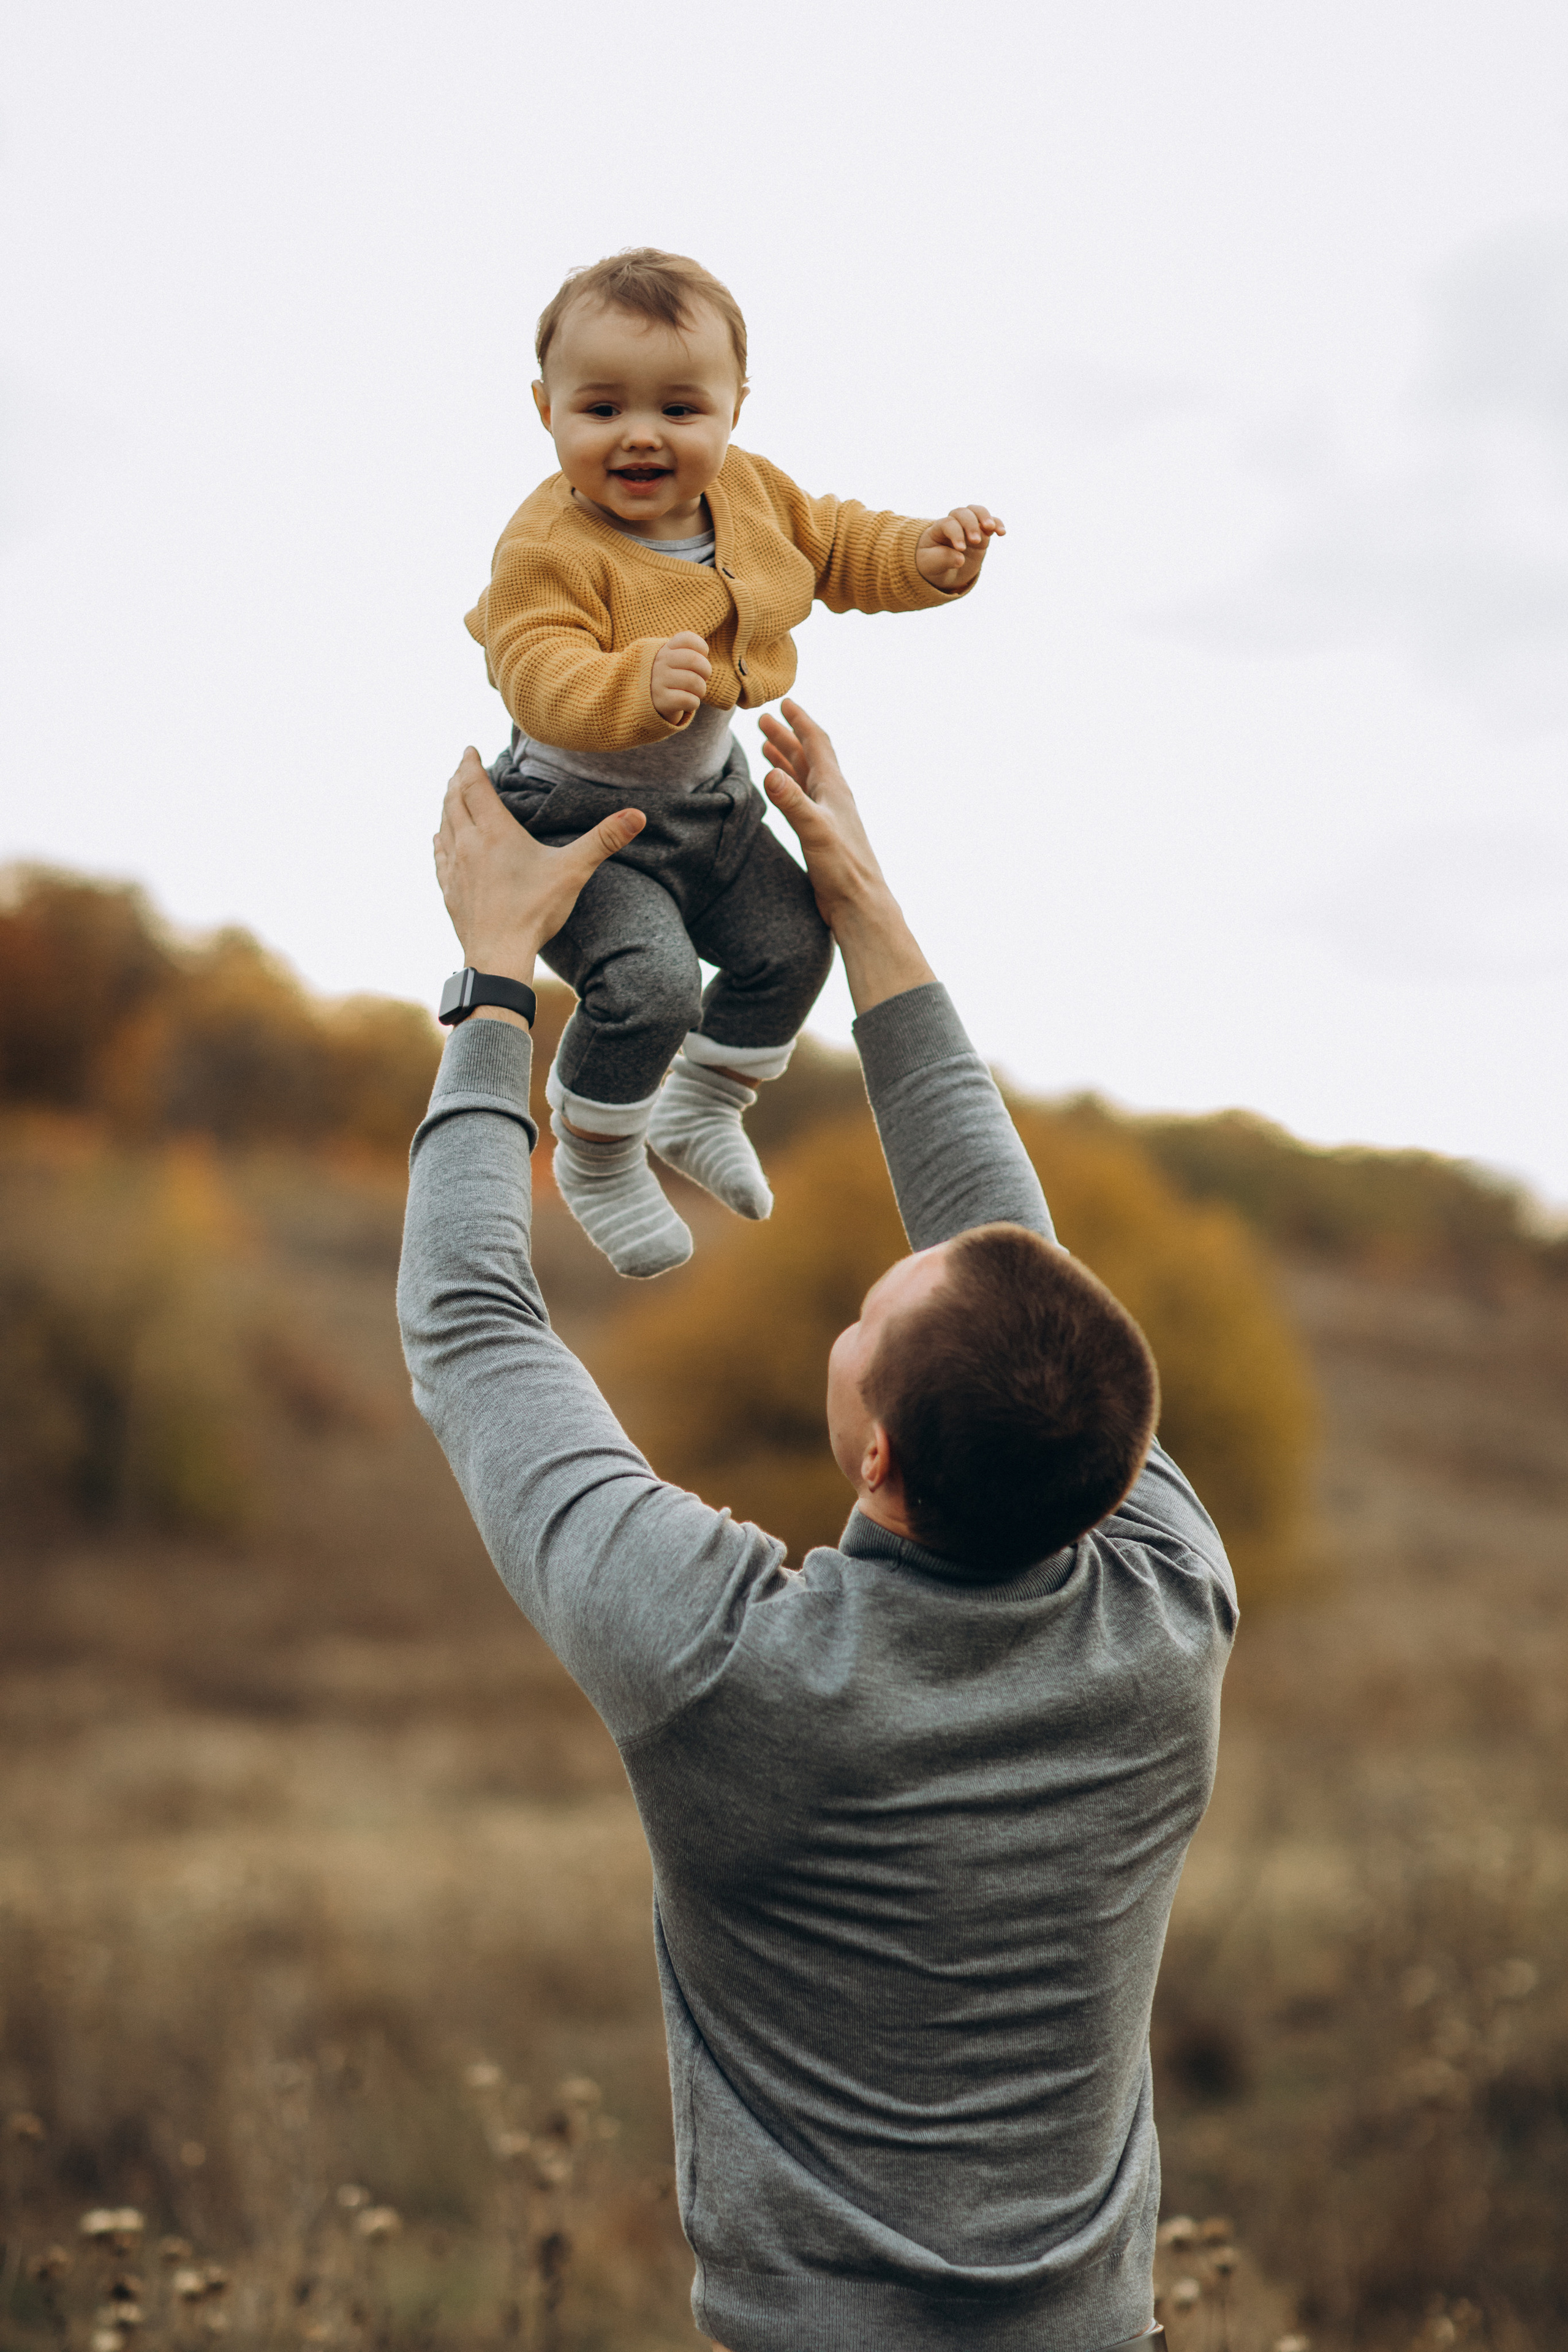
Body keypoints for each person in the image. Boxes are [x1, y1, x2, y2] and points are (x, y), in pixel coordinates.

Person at [398, 701, 1236, 2352]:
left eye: (862, 1321)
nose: (845, 1323)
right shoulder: (1169, 1606)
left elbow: (479, 1330)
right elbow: (1006, 1258)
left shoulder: (733, 1671)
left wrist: (494, 985)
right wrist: (865, 909)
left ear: (876, 1463)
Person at [464, 247, 1004, 1278]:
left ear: (735, 408)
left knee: (796, 939)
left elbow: (838, 545)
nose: (640, 434)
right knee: (653, 986)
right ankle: (599, 1150)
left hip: (712, 810)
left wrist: (925, 559)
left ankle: (705, 1104)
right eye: (601, 408)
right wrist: (628, 683)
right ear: (545, 410)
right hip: (581, 828)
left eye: (679, 408)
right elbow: (530, 664)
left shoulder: (753, 498)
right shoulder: (546, 543)